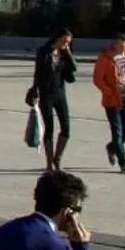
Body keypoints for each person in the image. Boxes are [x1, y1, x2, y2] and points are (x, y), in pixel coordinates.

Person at [93, 31, 125, 174]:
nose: (124, 49)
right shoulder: (105, 57)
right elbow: (98, 79)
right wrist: (109, 92)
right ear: (114, 45)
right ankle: (123, 162)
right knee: (117, 133)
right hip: (113, 101)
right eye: (121, 47)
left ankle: (112, 147)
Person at [28, 31, 76, 173]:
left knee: (66, 128)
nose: (66, 44)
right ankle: (49, 163)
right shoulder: (44, 52)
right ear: (57, 39)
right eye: (65, 41)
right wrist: (35, 90)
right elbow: (38, 72)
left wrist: (68, 52)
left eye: (68, 42)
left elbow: (74, 68)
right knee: (49, 128)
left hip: (60, 93)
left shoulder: (65, 53)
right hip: (46, 94)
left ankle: (58, 158)